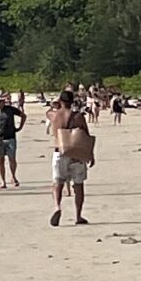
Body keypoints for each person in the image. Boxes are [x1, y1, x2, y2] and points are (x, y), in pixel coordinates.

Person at [48, 90, 94, 227]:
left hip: (59, 151)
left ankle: (57, 206)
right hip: (75, 153)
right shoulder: (78, 116)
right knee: (78, 185)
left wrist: (56, 104)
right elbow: (86, 135)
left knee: (58, 183)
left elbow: (50, 109)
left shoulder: (53, 115)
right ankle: (78, 215)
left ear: (60, 101)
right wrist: (90, 154)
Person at [0, 92, 24, 189]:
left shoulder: (10, 109)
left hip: (10, 137)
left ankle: (13, 176)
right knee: (0, 160)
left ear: (3, 101)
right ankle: (3, 181)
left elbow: (23, 115)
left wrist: (20, 127)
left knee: (12, 159)